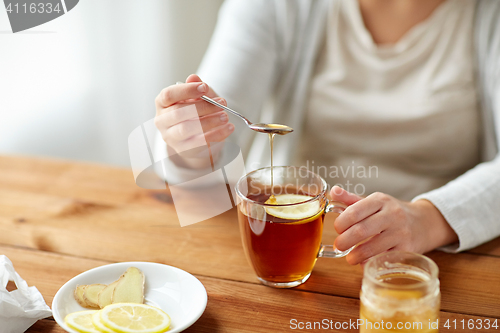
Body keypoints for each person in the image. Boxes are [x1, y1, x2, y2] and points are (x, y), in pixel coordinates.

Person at [154, 0, 500, 265]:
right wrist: (190, 143)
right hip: (287, 244)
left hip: (435, 258)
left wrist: (428, 219)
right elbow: (196, 172)